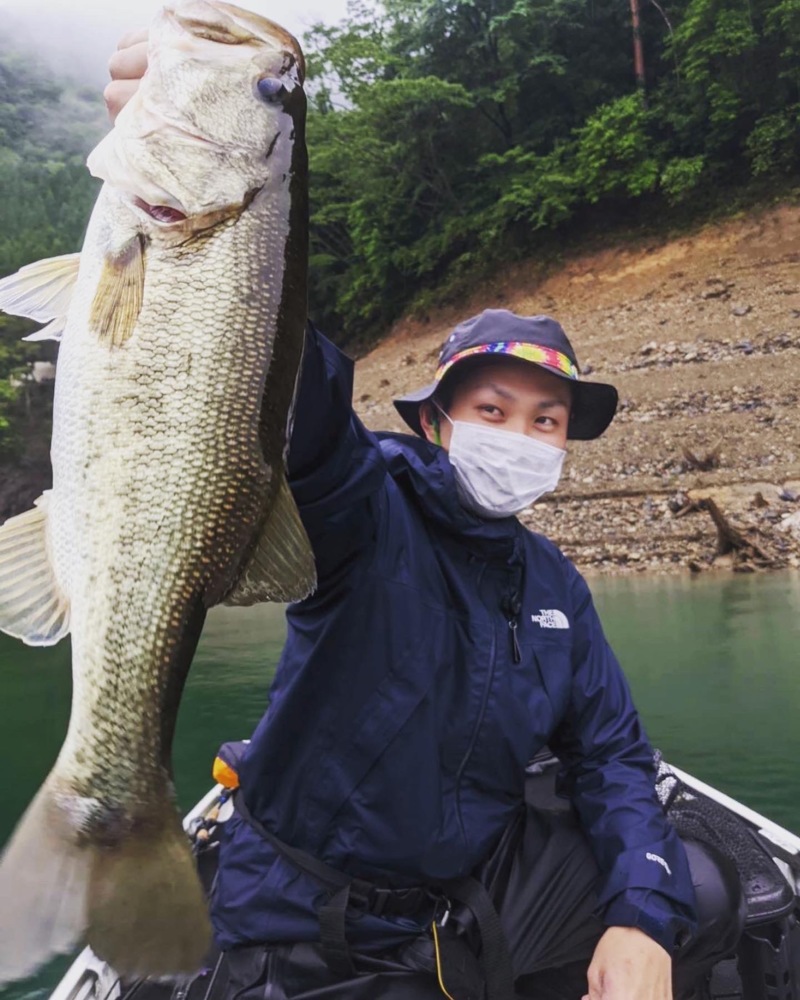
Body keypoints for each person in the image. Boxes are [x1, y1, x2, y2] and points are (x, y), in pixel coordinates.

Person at [106, 40, 744, 1000]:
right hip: (301, 914)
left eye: (547, 422)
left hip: (461, 904)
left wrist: (641, 917)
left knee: (705, 886)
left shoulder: (555, 589)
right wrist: (203, 168)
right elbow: (293, 405)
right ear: (437, 423)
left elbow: (612, 756)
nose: (519, 437)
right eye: (492, 411)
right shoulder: (367, 509)